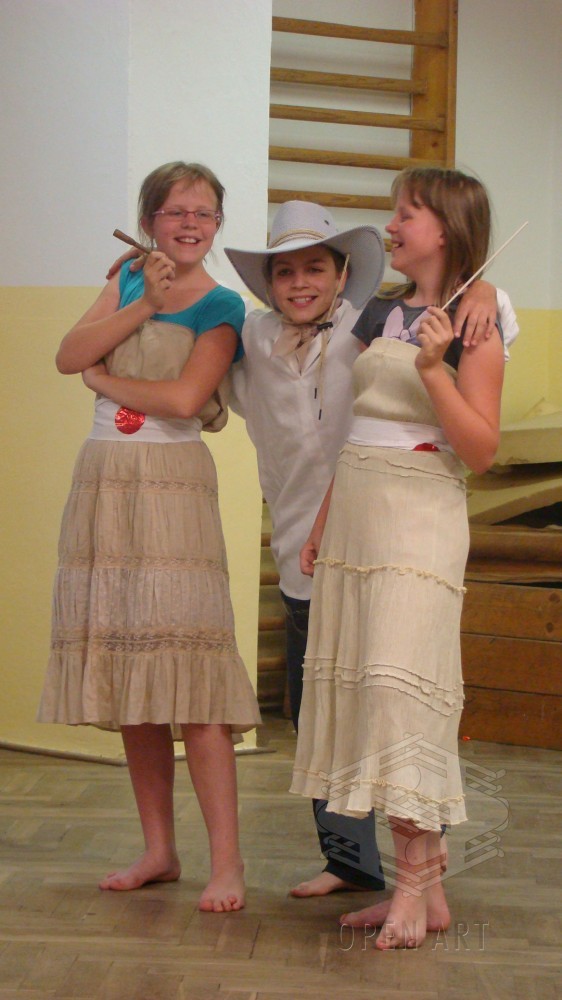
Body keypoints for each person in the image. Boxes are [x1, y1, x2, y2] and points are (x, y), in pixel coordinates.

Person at [223, 200, 501, 898]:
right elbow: (201, 366)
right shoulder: (251, 338)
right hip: (307, 536)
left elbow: (448, 318)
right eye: (284, 272)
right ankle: (349, 861)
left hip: (386, 526)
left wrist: (485, 288)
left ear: (343, 274)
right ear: (267, 285)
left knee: (394, 692)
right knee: (320, 703)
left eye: (316, 268)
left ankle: (423, 864)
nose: (300, 283)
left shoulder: (370, 323)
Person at [289, 167, 505, 948]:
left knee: (399, 693)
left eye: (405, 213)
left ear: (444, 226)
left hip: (420, 514)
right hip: (358, 509)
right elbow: (357, 427)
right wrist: (323, 519)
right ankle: (426, 891)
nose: (392, 226)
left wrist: (431, 369)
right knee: (367, 695)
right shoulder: (382, 310)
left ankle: (412, 886)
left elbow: (481, 449)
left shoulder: (480, 317)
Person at [38, 161, 261, 913]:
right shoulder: (130, 279)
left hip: (173, 486)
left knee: (193, 680)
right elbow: (67, 355)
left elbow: (185, 398)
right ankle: (159, 850)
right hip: (104, 482)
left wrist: (104, 381)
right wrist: (143, 305)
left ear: (218, 224)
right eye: (174, 212)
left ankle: (227, 863)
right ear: (148, 222)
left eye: (203, 213)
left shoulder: (224, 304)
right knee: (133, 677)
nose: (189, 224)